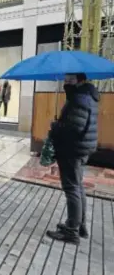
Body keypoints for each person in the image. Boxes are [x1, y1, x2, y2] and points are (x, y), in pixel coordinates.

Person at [45, 73, 98, 245]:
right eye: (66, 79)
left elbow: (74, 127)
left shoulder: (79, 99)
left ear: (80, 80)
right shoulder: (86, 96)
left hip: (72, 150)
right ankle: (78, 225)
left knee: (72, 188)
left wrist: (55, 126)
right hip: (80, 148)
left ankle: (71, 232)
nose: (67, 82)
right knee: (78, 186)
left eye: (71, 79)